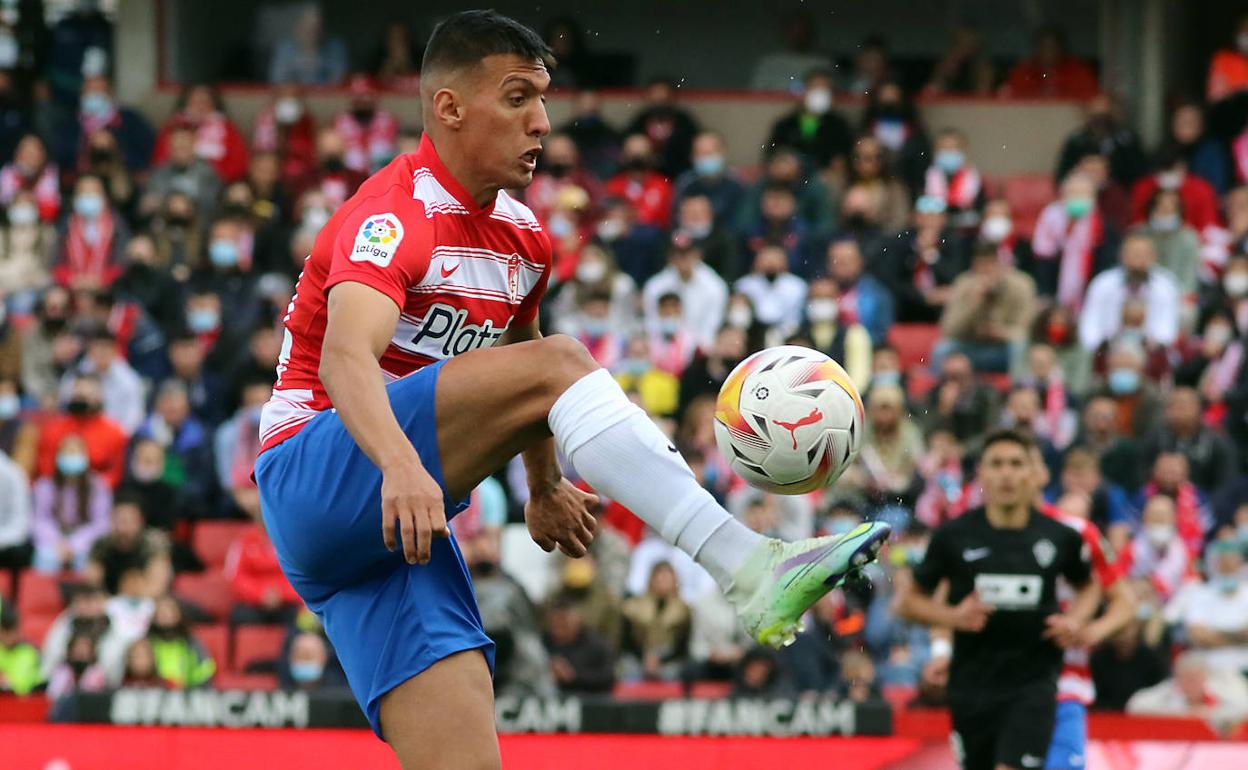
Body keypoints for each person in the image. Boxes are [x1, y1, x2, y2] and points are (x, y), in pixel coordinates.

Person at [253, 12, 890, 767]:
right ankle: (749, 567)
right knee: (565, 360)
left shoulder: (527, 240)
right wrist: (397, 464)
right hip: (316, 475)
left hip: (394, 537)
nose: (543, 123)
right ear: (449, 108)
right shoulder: (395, 214)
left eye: (544, 100)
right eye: (518, 98)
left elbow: (517, 367)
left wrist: (544, 482)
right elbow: (345, 363)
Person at [894, 429, 1097, 770]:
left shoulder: (1059, 537)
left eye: (1016, 463)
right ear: (982, 474)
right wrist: (953, 618)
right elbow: (907, 603)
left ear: (1032, 473)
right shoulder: (952, 537)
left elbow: (1089, 587)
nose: (1007, 473)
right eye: (997, 464)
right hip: (971, 687)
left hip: (1034, 684)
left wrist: (1076, 620)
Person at [934, 242, 1037, 374]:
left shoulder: (1022, 285)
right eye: (980, 266)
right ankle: (942, 391)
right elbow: (949, 330)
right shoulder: (964, 283)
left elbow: (1027, 331)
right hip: (972, 348)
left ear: (1002, 265)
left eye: (991, 265)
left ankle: (1020, 390)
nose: (986, 271)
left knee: (1020, 347)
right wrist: (974, 304)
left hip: (1004, 350)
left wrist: (1001, 333)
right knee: (942, 349)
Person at [1077, 233, 1181, 352]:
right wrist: (1099, 347)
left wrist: (1154, 345)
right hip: (1107, 350)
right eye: (1133, 254)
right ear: (1121, 256)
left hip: (1150, 351)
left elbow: (1167, 328)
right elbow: (1090, 323)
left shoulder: (1165, 286)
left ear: (1153, 257)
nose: (1137, 260)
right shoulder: (1103, 284)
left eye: (1143, 254)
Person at [1030, 173, 1117, 309]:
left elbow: (1107, 265)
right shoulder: (1050, 218)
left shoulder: (1103, 227)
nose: (1078, 198)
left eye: (1084, 194)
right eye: (1074, 194)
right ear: (1063, 196)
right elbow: (1042, 257)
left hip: (1088, 294)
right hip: (1053, 291)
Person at [30, 433, 112, 573]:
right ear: (58, 457)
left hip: (86, 542)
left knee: (87, 560)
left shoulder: (98, 486)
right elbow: (38, 519)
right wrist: (56, 543)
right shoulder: (45, 486)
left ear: (85, 457)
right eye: (67, 453)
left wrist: (75, 544)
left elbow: (101, 523)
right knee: (45, 559)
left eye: (75, 453)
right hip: (53, 541)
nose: (71, 457)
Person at [765, 68, 853, 173]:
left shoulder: (839, 125)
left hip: (822, 177)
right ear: (804, 91)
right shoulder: (786, 124)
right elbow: (772, 152)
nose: (819, 93)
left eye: (824, 89)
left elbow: (845, 156)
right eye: (815, 87)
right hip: (790, 177)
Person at [1126, 651, 1248, 725]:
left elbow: (1244, 708)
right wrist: (1180, 715)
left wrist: (1209, 714)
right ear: (1176, 678)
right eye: (1185, 678)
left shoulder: (1219, 690)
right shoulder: (1167, 691)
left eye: (1195, 677)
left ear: (1205, 677)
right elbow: (1134, 706)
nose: (1190, 683)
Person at [1054, 95, 1147, 188]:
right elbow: (1062, 176)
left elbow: (1141, 173)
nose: (1100, 121)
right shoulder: (1077, 141)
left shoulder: (1127, 140)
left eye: (1103, 115)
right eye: (1096, 115)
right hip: (1083, 191)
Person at [624, 77, 700, 179]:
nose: (659, 102)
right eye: (655, 97)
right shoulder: (639, 122)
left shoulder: (684, 123)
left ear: (672, 98)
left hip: (677, 176)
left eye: (663, 99)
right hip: (645, 179)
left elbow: (692, 151)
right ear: (648, 97)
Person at [1000, 26, 1099, 99]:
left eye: (1052, 47)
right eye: (1043, 47)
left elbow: (1092, 101)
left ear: (1062, 48)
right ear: (1036, 49)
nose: (1048, 52)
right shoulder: (1023, 72)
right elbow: (1009, 99)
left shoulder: (1079, 72)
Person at [672, 132, 745, 230]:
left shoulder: (736, 183)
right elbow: (675, 220)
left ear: (723, 153)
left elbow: (743, 222)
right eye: (700, 154)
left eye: (709, 153)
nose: (705, 158)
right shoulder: (685, 183)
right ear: (692, 157)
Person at [749, 9, 833, 91]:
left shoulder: (822, 63)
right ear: (786, 33)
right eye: (795, 30)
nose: (799, 35)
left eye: (803, 31)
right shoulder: (769, 62)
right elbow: (756, 93)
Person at [332, 74, 399, 174]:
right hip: (350, 172)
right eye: (358, 96)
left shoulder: (386, 120)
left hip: (382, 170)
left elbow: (394, 148)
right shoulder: (341, 121)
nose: (363, 100)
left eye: (366, 94)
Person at [268, 4, 348, 86]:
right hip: (295, 96)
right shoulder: (285, 49)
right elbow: (277, 79)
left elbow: (340, 80)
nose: (312, 32)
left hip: (326, 96)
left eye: (317, 27)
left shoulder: (335, 48)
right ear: (298, 27)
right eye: (307, 27)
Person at [0, 604, 43, 695]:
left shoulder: (29, 653)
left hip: (22, 704)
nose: (10, 637)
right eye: (5, 632)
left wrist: (6, 682)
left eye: (12, 632)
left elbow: (20, 687)